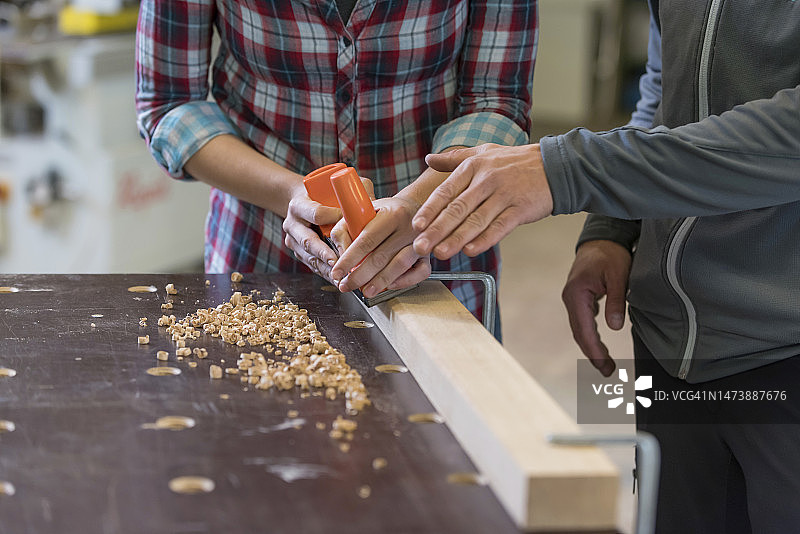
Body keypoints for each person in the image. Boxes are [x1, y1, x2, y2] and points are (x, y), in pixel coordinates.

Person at [407, 1, 800, 532]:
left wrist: (567, 169)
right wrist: (613, 227)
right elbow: (664, 90)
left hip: (783, 347)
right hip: (670, 347)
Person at [134, 0, 537, 337]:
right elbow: (169, 104)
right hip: (261, 254)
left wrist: (417, 203)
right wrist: (290, 194)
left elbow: (496, 101)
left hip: (438, 256)